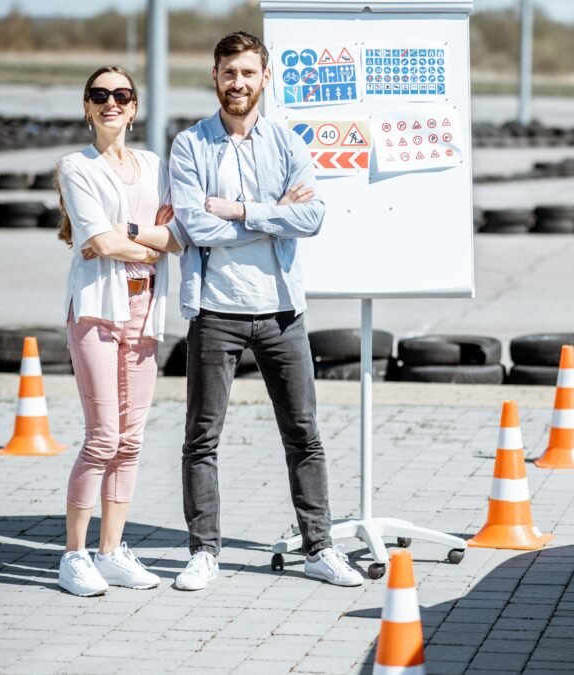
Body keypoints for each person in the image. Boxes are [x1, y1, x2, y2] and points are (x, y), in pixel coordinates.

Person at [168, 31, 362, 590]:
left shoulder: (286, 142)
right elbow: (194, 224)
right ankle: (204, 553)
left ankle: (320, 549)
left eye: (248, 73)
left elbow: (314, 217)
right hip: (215, 310)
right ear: (215, 76)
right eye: (229, 73)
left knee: (304, 434)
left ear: (264, 78)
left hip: (282, 312)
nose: (238, 83)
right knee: (202, 438)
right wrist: (273, 212)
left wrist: (240, 210)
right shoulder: (191, 146)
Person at [55, 66, 183, 596]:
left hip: (145, 310)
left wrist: (133, 236)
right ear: (87, 107)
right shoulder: (74, 166)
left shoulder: (153, 165)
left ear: (135, 107)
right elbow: (100, 245)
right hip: (96, 311)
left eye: (122, 95)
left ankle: (112, 551)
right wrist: (147, 242)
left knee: (130, 441)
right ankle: (74, 556)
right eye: (100, 95)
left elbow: (177, 236)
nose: (111, 102)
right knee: (103, 436)